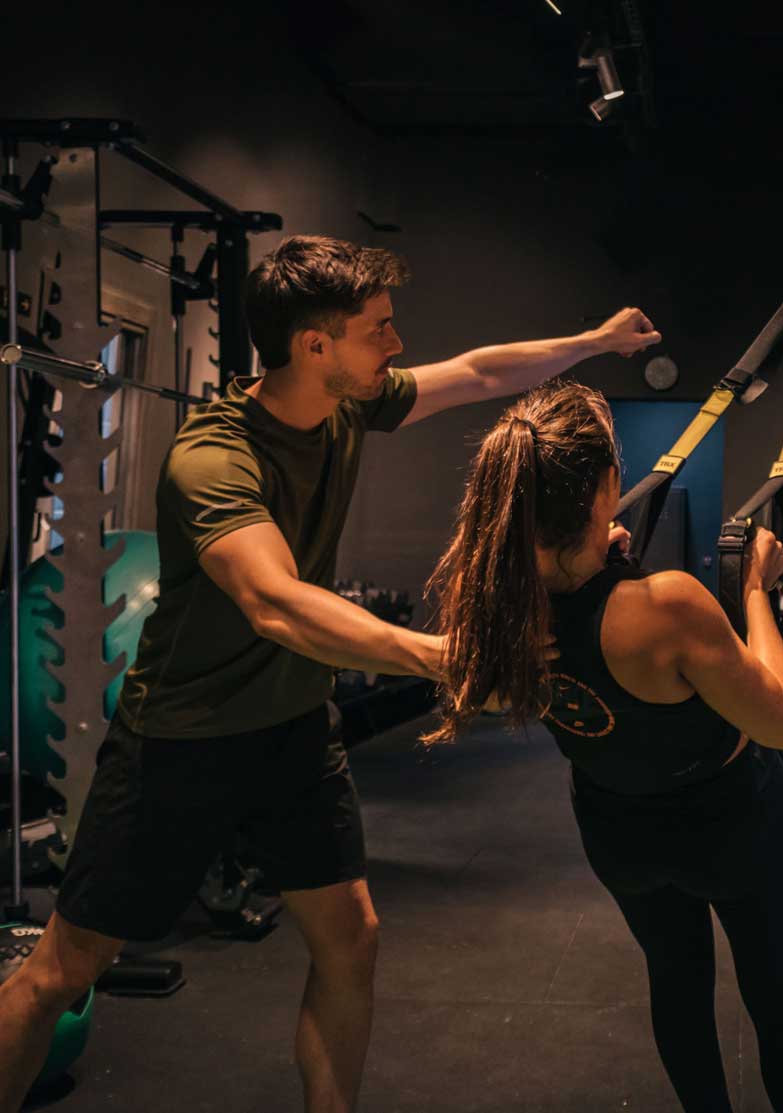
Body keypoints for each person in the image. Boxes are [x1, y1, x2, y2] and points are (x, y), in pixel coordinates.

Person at [0, 235, 661, 1113]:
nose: (397, 343)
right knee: (64, 970)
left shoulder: (348, 404)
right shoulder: (213, 460)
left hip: (292, 730)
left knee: (351, 939)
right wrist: (443, 656)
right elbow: (277, 603)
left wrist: (595, 341)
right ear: (316, 345)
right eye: (378, 327)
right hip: (180, 741)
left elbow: (476, 371)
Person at [426, 380, 783, 1112]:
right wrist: (756, 590)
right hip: (732, 829)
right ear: (608, 485)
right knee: (781, 1004)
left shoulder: (502, 605)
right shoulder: (667, 607)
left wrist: (600, 559)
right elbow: (778, 722)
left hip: (619, 835)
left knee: (676, 985)